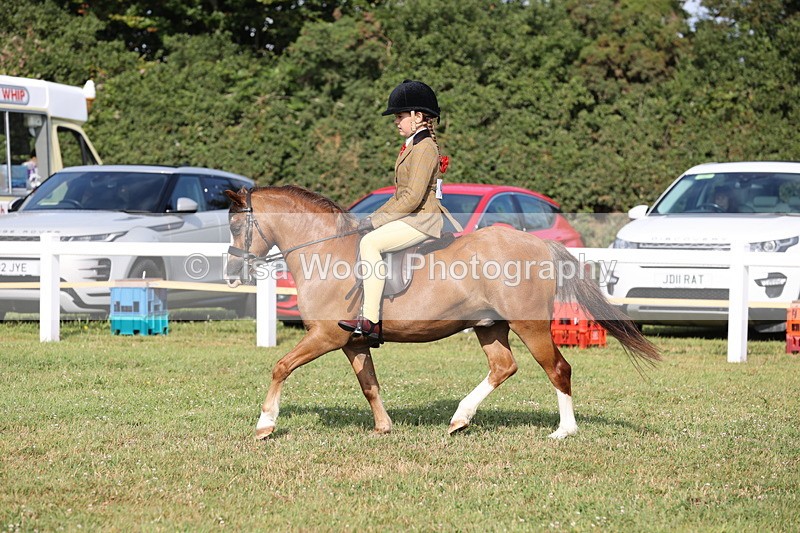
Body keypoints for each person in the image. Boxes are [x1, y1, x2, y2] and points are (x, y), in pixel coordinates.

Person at [338, 80, 459, 343]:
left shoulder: (425, 147)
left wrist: (376, 222)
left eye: (400, 116)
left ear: (417, 116)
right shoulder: (412, 145)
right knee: (367, 235)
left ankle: (371, 321)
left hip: (422, 220)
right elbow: (398, 196)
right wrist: (372, 218)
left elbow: (413, 197)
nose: (397, 121)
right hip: (411, 216)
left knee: (370, 243)